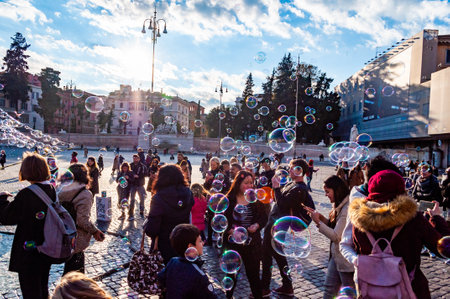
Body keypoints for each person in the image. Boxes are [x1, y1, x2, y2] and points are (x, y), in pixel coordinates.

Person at [340, 170, 442, 299]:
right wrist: (437, 219)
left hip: (371, 291)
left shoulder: (358, 220)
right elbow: (441, 248)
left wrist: (357, 261)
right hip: (411, 289)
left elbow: (349, 246)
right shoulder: (414, 219)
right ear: (401, 190)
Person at [0, 152, 55, 298]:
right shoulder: (51, 189)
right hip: (46, 247)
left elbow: (6, 217)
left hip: (29, 252)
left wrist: (3, 198)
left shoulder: (26, 194)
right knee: (43, 287)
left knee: (30, 291)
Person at [261, 158, 315, 297]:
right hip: (275, 222)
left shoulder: (300, 189)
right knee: (278, 254)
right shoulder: (292, 184)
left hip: (278, 225)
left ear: (300, 171)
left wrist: (276, 187)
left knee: (267, 254)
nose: (289, 170)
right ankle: (286, 285)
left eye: (293, 168)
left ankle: (265, 287)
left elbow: (283, 204)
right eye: (290, 167)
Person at [304, 176, 354, 299]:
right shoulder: (338, 204)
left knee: (350, 294)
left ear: (336, 190)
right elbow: (333, 226)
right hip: (336, 256)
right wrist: (320, 218)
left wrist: (319, 223)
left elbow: (337, 236)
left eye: (327, 191)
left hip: (345, 260)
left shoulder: (347, 208)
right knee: (329, 289)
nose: (326, 195)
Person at [223, 170, 268, 299]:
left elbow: (264, 218)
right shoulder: (230, 199)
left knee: (253, 274)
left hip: (252, 243)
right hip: (233, 243)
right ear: (238, 183)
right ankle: (229, 296)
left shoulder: (255, 199)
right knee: (231, 274)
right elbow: (222, 220)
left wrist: (257, 225)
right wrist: (231, 231)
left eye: (251, 183)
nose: (249, 186)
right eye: (246, 183)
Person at [59, 163, 105, 274]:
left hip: (62, 234)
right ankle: (71, 290)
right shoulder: (85, 194)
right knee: (75, 274)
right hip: (76, 238)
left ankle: (67, 289)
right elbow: (82, 220)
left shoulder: (61, 190)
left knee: (68, 270)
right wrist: (95, 231)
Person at [144, 164, 194, 264]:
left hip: (163, 247)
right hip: (183, 244)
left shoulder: (158, 197)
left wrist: (146, 224)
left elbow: (152, 230)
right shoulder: (188, 193)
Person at [157, 224, 217, 298]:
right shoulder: (199, 275)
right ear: (190, 246)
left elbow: (160, 277)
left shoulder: (173, 261)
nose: (203, 243)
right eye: (200, 241)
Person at [130, 154, 147, 219]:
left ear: (139, 159)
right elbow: (129, 172)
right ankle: (131, 211)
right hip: (133, 184)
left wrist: (138, 176)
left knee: (142, 198)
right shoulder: (130, 165)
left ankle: (141, 210)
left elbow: (145, 173)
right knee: (132, 199)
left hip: (140, 184)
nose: (135, 160)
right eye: (134, 158)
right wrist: (132, 175)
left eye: (136, 158)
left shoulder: (142, 166)